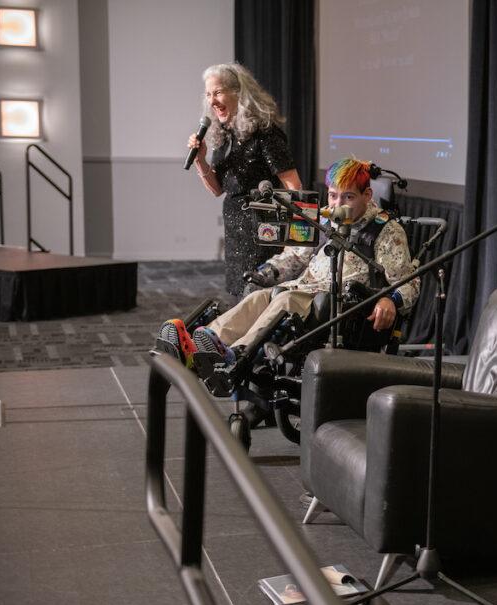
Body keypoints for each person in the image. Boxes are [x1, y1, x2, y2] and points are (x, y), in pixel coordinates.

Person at [156, 157, 419, 393]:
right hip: (304, 290)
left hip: (344, 306)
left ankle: (235, 356)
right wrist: (266, 272)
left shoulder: (386, 230)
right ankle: (198, 349)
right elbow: (295, 257)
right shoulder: (325, 221)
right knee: (260, 296)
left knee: (285, 301)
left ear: (367, 194)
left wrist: (390, 300)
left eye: (348, 197)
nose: (338, 204)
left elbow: (408, 281)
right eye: (332, 195)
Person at [189, 62, 302, 297]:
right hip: (235, 230)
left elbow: (293, 185)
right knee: (239, 294)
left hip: (264, 228)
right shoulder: (224, 135)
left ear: (238, 93)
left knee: (258, 295)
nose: (212, 101)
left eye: (218, 92)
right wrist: (200, 160)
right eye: (208, 94)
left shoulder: (264, 132)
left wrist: (293, 238)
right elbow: (218, 189)